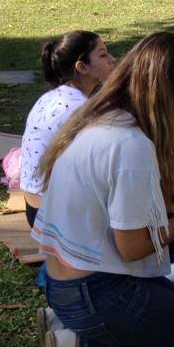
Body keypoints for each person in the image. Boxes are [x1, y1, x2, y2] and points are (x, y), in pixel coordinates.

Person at [33, 32, 174, 347]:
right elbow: (134, 247)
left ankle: (70, 324)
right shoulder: (131, 145)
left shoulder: (106, 117)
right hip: (96, 290)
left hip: (67, 282)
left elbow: (117, 209)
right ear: (169, 92)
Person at [21, 31, 116, 228]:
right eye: (103, 54)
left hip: (34, 208)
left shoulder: (51, 97)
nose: (112, 59)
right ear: (81, 67)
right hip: (55, 217)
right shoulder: (79, 109)